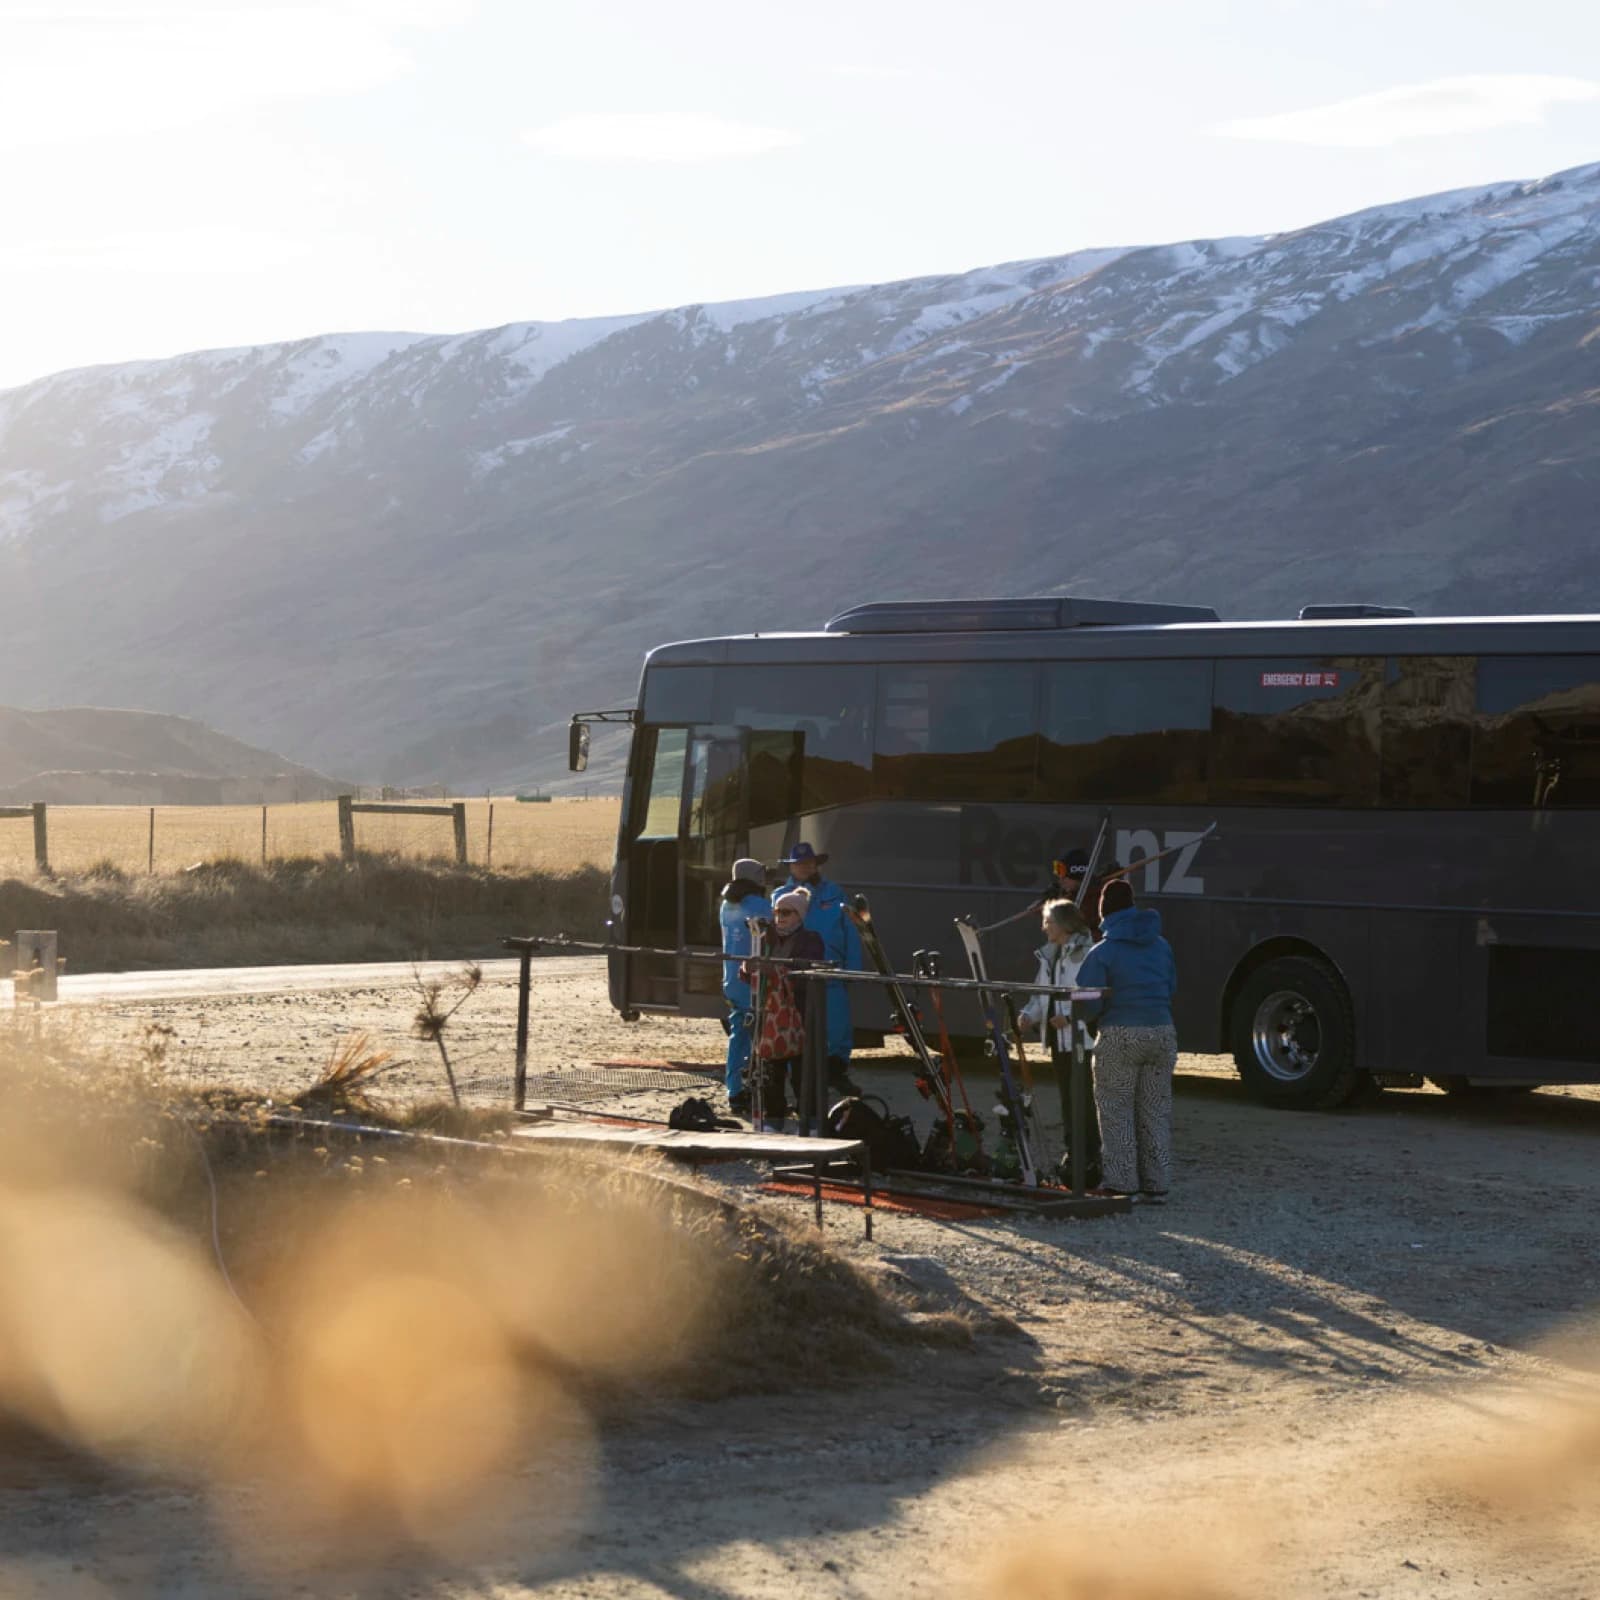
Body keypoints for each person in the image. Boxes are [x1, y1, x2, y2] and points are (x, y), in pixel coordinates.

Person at [1073, 879, 1178, 1203]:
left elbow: (1086, 999)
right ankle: (1156, 1183)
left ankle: (1121, 1183)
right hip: (1162, 1032)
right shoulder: (1161, 945)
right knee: (1155, 1111)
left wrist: (1086, 1019)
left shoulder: (1103, 951)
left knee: (1117, 1110)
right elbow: (1171, 986)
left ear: (1104, 912)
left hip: (1120, 1033)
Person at [776, 842, 862, 1085]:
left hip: (832, 970)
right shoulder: (780, 897)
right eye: (799, 863)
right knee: (797, 1028)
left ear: (816, 864)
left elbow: (850, 931)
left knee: (837, 1028)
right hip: (795, 974)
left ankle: (836, 1074)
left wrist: (852, 969)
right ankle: (802, 1084)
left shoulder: (834, 892)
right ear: (791, 867)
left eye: (809, 863)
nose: (805, 867)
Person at [740, 887, 825, 1126]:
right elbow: (750, 975)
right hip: (769, 1014)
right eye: (777, 911)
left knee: (803, 1073)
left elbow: (807, 973)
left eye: (786, 912)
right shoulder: (767, 938)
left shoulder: (811, 940)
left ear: (799, 915)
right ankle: (773, 1119)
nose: (780, 917)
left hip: (799, 1013)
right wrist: (747, 968)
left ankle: (810, 1122)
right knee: (770, 1071)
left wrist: (778, 970)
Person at [719, 856, 772, 1115]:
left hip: (731, 978)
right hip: (751, 980)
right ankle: (753, 1088)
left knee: (738, 1034)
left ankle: (734, 1090)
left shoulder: (726, 905)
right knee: (758, 1037)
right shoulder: (759, 905)